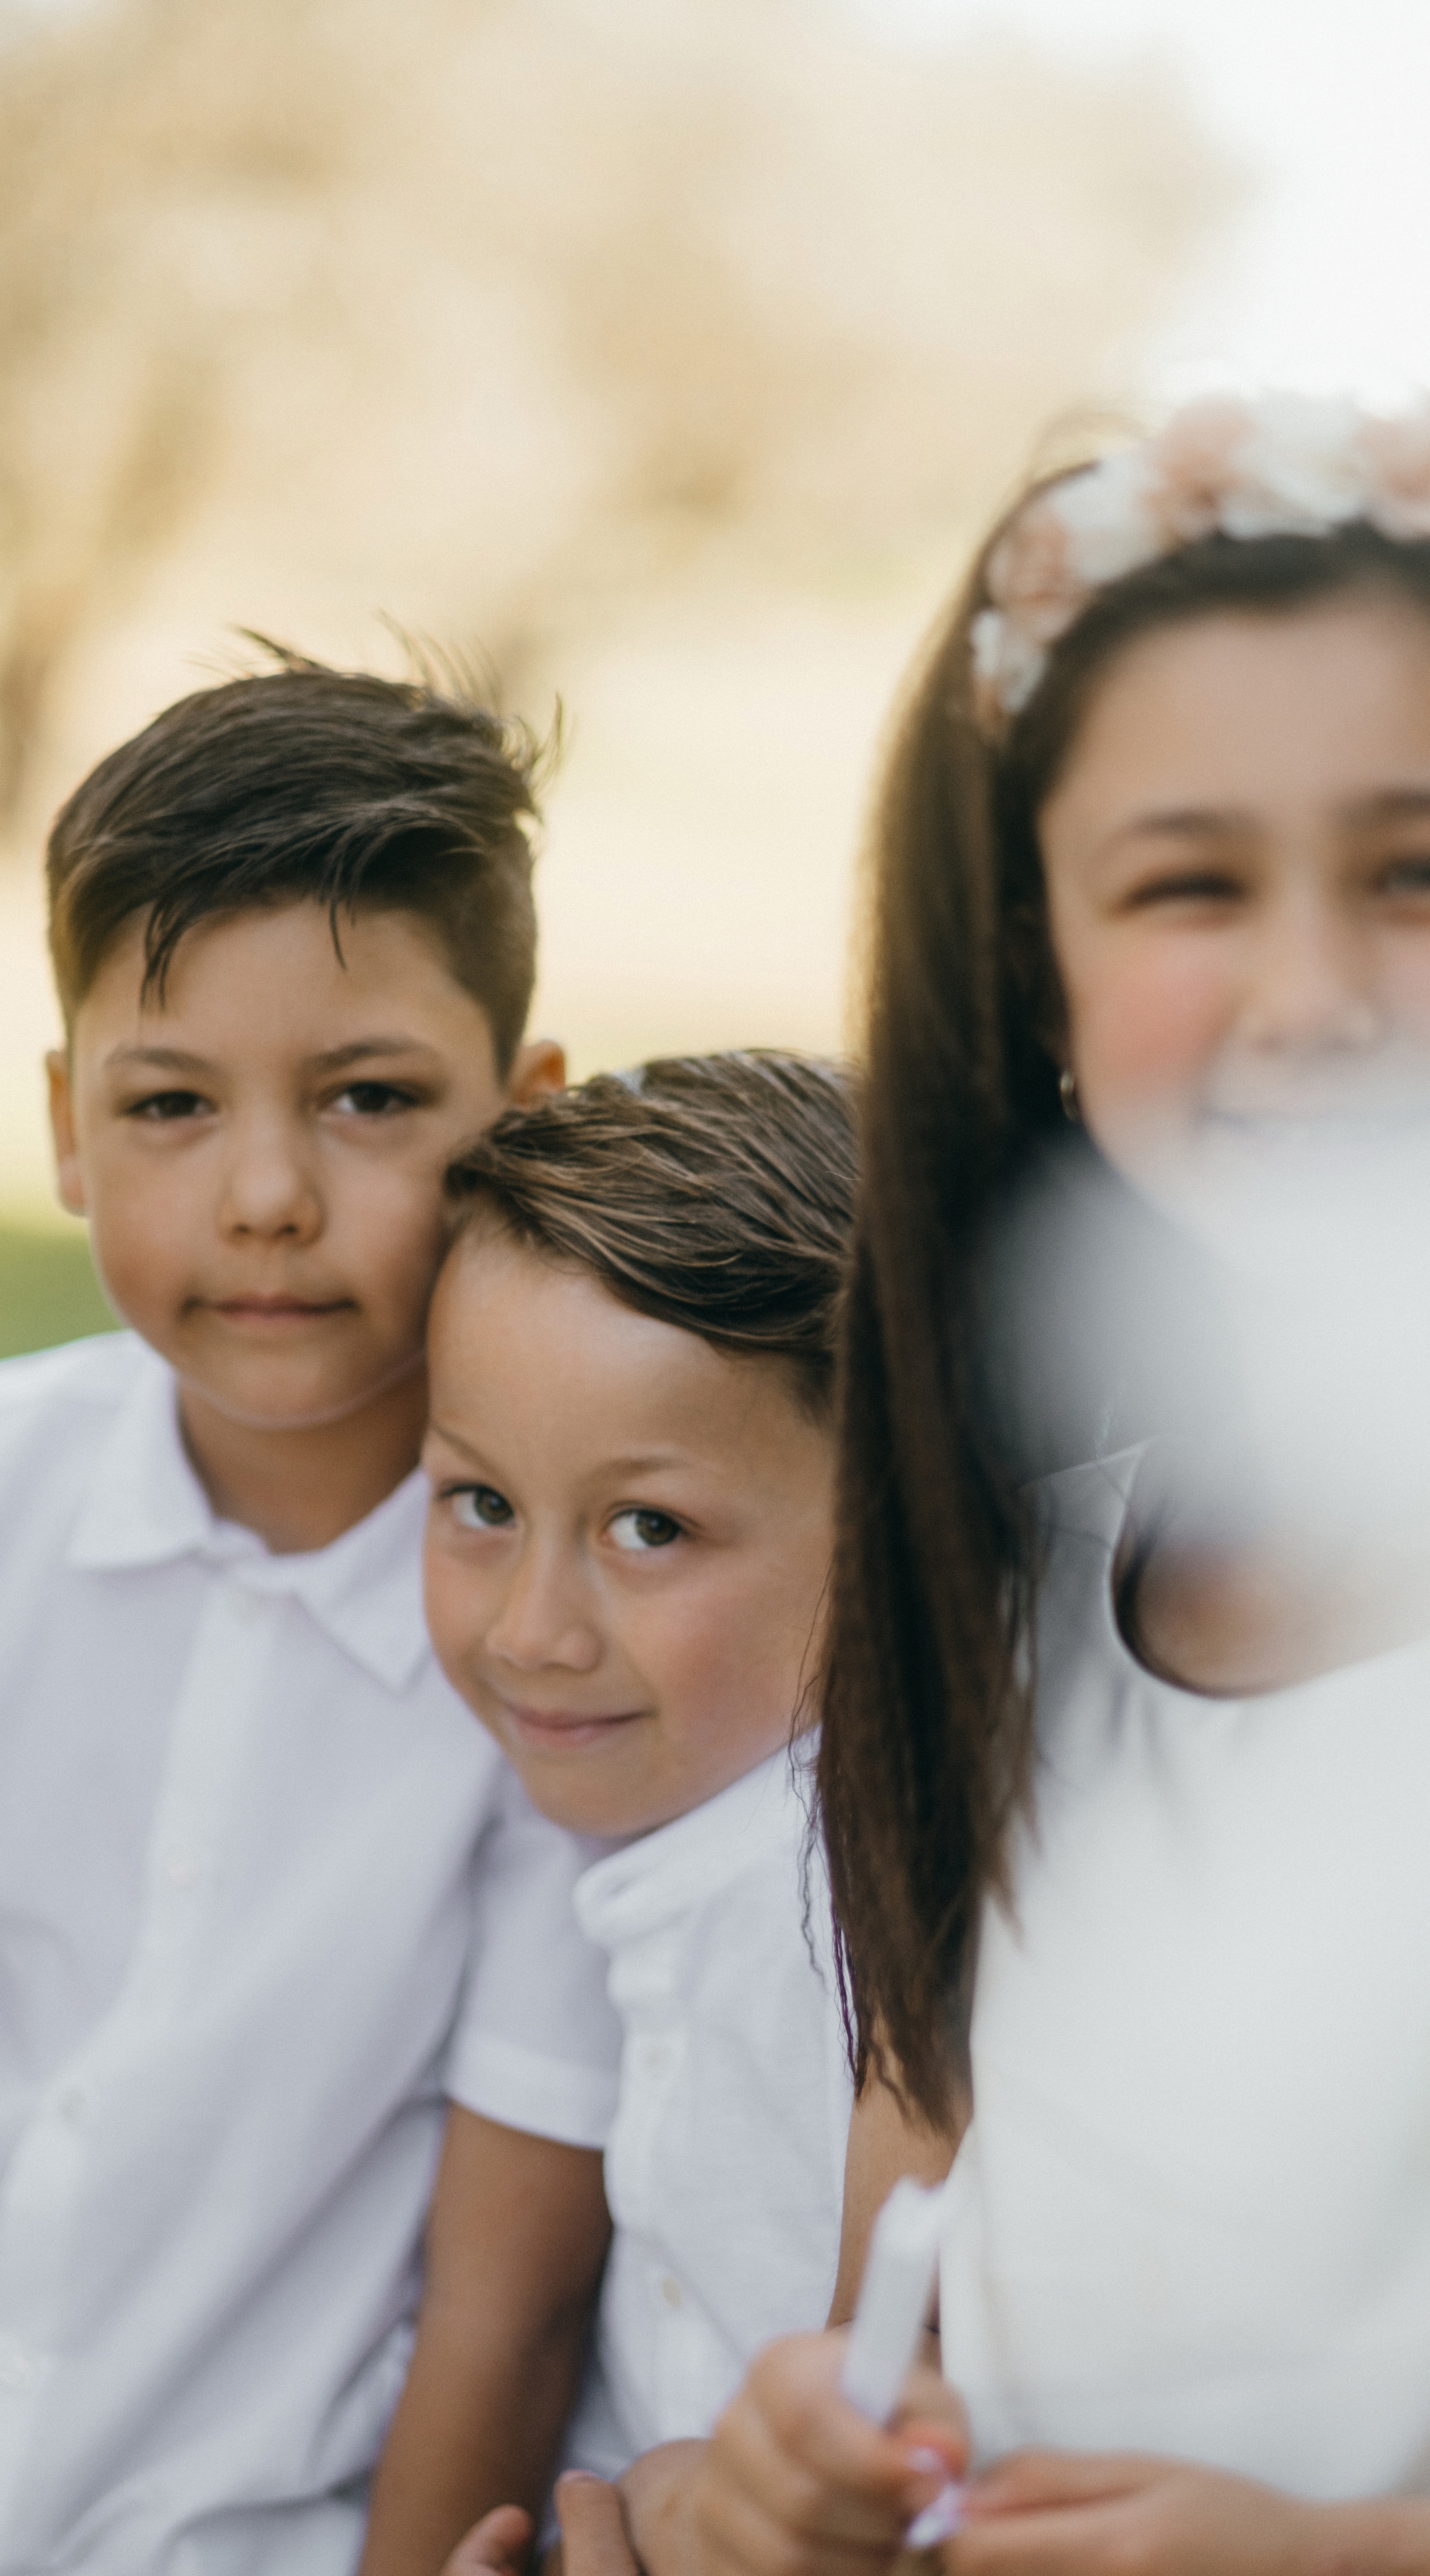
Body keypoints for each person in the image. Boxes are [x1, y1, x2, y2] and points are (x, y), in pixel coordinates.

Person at [0, 647, 625, 2576]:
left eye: (371, 1097)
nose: (270, 1194)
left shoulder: (563, 1656)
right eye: (170, 1103)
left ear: (523, 1111)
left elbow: (506, 2296)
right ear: (65, 1121)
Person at [694, 393, 1430, 2571]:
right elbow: (893, 2313)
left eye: (1417, 869)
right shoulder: (1008, 1606)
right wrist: (802, 2468)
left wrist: (1323, 2553)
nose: (1312, 998)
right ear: (1036, 970)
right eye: (1190, 884)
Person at [420, 1054, 940, 2576]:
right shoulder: (693, 1836)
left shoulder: (853, 1916)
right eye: (480, 1504)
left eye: (648, 1529)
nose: (529, 1629)